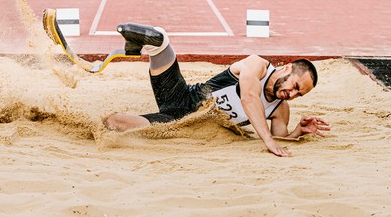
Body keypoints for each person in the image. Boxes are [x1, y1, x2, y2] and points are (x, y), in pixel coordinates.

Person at [104, 23, 331, 157]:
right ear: (287, 68)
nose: (292, 95)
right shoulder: (257, 65)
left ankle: (96, 123)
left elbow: (278, 138)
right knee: (160, 46)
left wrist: (298, 132)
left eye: (299, 94)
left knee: (116, 124)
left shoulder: (280, 109)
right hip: (184, 98)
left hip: (180, 123)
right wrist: (267, 141)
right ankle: (156, 40)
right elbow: (250, 98)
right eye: (295, 87)